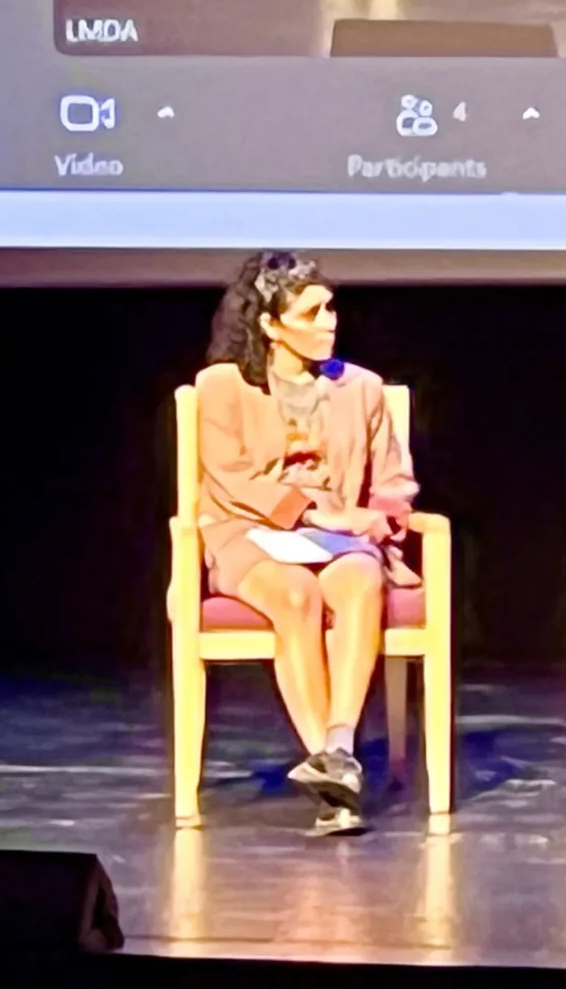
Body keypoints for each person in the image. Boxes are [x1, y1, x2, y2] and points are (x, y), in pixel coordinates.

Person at [194, 252, 418, 837]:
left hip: (337, 536)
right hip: (250, 531)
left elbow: (394, 482)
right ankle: (329, 776)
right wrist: (316, 509)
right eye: (313, 311)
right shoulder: (222, 386)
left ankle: (339, 751)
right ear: (270, 324)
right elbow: (230, 477)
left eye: (331, 307)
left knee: (361, 578)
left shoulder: (362, 388)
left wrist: (381, 517)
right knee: (294, 595)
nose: (330, 321)